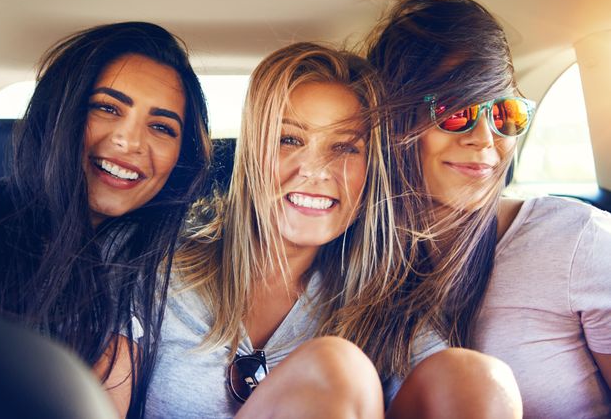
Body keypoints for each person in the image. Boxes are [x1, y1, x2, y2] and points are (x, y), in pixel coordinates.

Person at [145, 42, 522, 419]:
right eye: (289, 139)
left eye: (344, 148)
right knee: (335, 367)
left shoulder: (387, 308)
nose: (316, 170)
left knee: (476, 379)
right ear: (252, 153)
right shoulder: (155, 272)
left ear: (371, 172)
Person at [0, 21, 211, 418]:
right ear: (57, 113)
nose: (131, 142)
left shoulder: (156, 276)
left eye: (160, 127)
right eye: (106, 107)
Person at [366, 0, 611, 418]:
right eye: (455, 110)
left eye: (505, 114)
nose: (484, 138)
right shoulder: (353, 262)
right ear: (395, 122)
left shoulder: (577, 240)